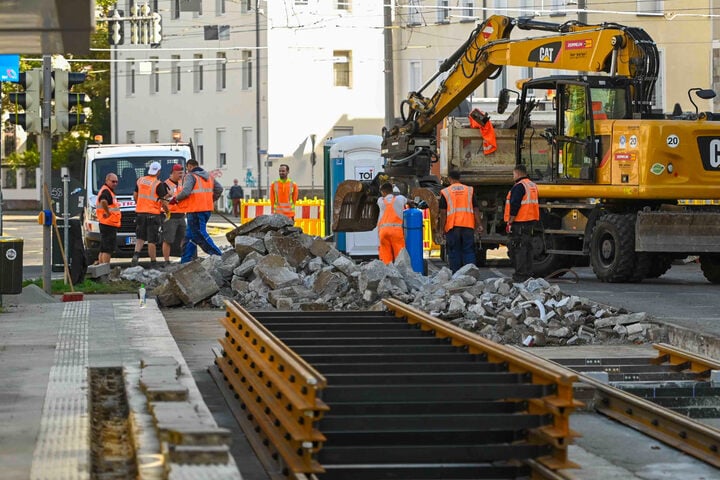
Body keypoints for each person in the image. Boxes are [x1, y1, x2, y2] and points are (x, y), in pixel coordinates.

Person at [171, 159, 223, 263]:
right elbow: (219, 188)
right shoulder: (208, 176)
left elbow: (186, 192)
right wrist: (210, 200)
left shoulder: (190, 176)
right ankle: (185, 262)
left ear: (190, 166)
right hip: (206, 210)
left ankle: (219, 256)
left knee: (200, 234)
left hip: (195, 211)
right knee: (190, 237)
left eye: (187, 168)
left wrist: (175, 199)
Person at [437, 169, 483, 273]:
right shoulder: (469, 190)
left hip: (453, 226)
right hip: (468, 225)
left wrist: (442, 229)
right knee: (468, 250)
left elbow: (443, 213)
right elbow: (476, 209)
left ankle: (456, 275)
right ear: (459, 178)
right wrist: (479, 224)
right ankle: (470, 274)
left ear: (449, 179)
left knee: (454, 251)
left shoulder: (446, 192)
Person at [504, 164, 540, 282]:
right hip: (530, 221)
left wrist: (510, 220)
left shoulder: (519, 186)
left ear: (518, 173)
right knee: (527, 248)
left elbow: (515, 204)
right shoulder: (532, 185)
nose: (513, 176)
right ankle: (528, 274)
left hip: (520, 221)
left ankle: (520, 275)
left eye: (513, 174)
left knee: (518, 249)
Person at [131, 161, 168, 267]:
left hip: (140, 213)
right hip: (153, 214)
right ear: (159, 172)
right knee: (152, 240)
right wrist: (167, 212)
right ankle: (153, 262)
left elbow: (135, 195)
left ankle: (136, 255)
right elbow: (164, 202)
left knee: (140, 237)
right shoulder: (158, 184)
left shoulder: (140, 180)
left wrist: (140, 204)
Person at [161, 164, 187, 266]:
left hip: (181, 215)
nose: (181, 175)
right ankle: (166, 261)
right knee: (168, 239)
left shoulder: (181, 183)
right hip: (171, 216)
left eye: (182, 172)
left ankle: (183, 258)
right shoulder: (165, 184)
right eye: (179, 173)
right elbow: (163, 201)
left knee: (183, 237)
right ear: (173, 173)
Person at [376, 182, 407, 264]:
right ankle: (401, 272)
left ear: (383, 192)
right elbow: (406, 200)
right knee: (400, 255)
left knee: (385, 256)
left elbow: (383, 197)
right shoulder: (400, 199)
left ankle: (387, 272)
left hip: (383, 232)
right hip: (396, 232)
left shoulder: (380, 201)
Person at [96, 173, 121, 265]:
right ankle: (105, 269)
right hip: (108, 223)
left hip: (106, 223)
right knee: (107, 249)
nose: (115, 183)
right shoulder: (106, 191)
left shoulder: (107, 190)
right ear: (107, 181)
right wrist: (107, 212)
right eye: (113, 181)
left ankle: (101, 269)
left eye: (116, 182)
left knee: (103, 248)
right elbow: (103, 201)